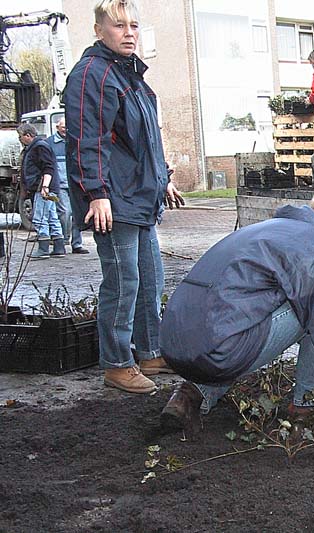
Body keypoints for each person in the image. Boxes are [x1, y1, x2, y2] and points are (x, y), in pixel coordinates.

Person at [159, 178, 314, 433]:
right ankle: (312, 406)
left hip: (174, 343)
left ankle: (191, 394)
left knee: (284, 308)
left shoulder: (273, 228)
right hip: (219, 351)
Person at [64, 0, 184, 394]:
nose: (128, 32)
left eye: (133, 25)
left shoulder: (131, 77)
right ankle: (117, 364)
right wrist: (96, 193)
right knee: (123, 282)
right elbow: (88, 139)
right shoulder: (92, 75)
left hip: (140, 198)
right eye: (118, 26)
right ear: (99, 31)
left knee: (151, 280)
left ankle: (150, 352)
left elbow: (147, 140)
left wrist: (162, 178)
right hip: (114, 201)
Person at [17, 123, 65, 260]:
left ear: (27, 135)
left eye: (20, 136)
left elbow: (48, 168)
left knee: (40, 218)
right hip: (47, 187)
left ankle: (43, 249)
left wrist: (44, 187)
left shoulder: (39, 147)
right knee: (51, 216)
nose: (20, 139)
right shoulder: (37, 146)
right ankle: (58, 247)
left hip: (42, 188)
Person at [47, 118, 89, 254]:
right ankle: (62, 239)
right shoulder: (50, 143)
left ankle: (76, 244)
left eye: (67, 127)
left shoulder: (74, 140)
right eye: (63, 127)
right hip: (60, 184)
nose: (66, 130)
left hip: (75, 183)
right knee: (65, 212)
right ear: (57, 127)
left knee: (77, 214)